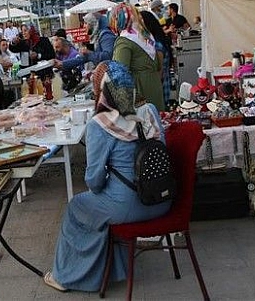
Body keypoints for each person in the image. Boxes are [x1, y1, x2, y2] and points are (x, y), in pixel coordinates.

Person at [43, 61, 169, 293]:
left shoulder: (100, 125)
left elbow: (94, 181)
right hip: (162, 200)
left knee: (77, 207)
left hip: (129, 208)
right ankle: (115, 267)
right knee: (103, 204)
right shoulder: (149, 110)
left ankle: (67, 277)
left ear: (101, 90)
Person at [111, 3, 164, 111]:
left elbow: (119, 73)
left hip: (140, 92)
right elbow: (159, 65)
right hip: (154, 87)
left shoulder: (124, 42)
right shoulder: (146, 36)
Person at [141, 10, 173, 106]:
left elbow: (159, 73)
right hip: (162, 90)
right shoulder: (157, 42)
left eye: (140, 22)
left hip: (160, 92)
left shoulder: (157, 45)